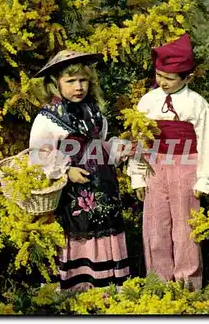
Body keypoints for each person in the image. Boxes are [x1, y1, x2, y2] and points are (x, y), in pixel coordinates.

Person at [29, 50, 130, 291]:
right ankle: (78, 285)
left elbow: (100, 143)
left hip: (103, 184)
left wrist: (119, 151)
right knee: (79, 228)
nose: (78, 87)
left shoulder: (94, 111)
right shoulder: (49, 117)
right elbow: (38, 153)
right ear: (56, 84)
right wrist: (66, 171)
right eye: (71, 81)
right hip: (74, 191)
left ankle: (107, 284)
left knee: (104, 225)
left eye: (83, 80)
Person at [127, 34, 209, 290]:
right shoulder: (148, 101)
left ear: (187, 78)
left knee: (185, 229)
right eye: (159, 75)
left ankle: (187, 283)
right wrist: (136, 175)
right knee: (155, 228)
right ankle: (159, 282)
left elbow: (206, 142)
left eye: (169, 78)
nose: (162, 82)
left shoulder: (196, 103)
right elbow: (139, 139)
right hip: (155, 167)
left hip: (186, 166)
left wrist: (203, 179)